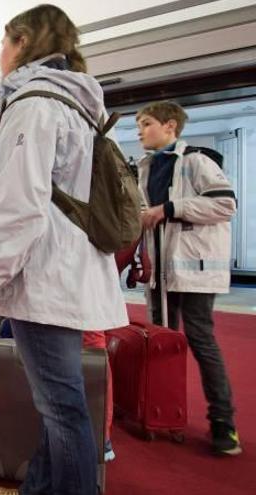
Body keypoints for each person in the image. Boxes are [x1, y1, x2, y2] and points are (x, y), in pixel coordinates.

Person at [0, 5, 127, 495]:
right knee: (59, 400)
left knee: (61, 405)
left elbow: (18, 204)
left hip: (44, 275)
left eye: (5, 44)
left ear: (24, 41)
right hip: (64, 271)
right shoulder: (74, 102)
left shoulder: (33, 103)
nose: (1, 56)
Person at [136, 100, 241, 456]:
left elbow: (226, 204)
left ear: (170, 127)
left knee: (201, 341)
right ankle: (159, 412)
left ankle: (223, 422)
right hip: (161, 273)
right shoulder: (146, 168)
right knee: (159, 343)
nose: (140, 131)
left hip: (195, 271)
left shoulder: (197, 161)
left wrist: (170, 209)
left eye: (147, 123)